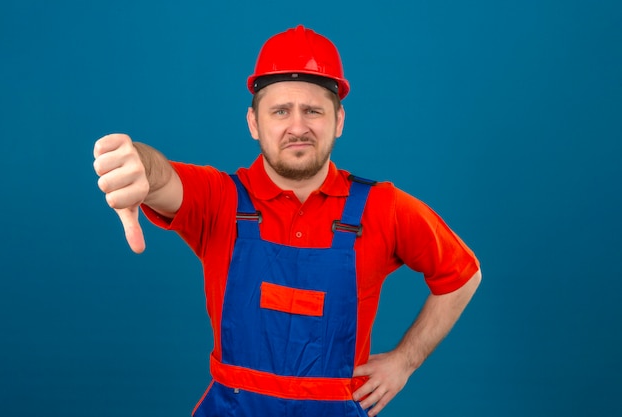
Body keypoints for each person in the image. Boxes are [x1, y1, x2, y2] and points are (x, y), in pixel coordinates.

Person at [93, 25, 481, 417]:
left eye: (313, 110)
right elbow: (163, 177)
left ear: (339, 120)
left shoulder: (384, 208)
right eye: (281, 111)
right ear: (253, 122)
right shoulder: (219, 199)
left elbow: (462, 275)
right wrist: (139, 163)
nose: (298, 127)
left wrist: (404, 361)